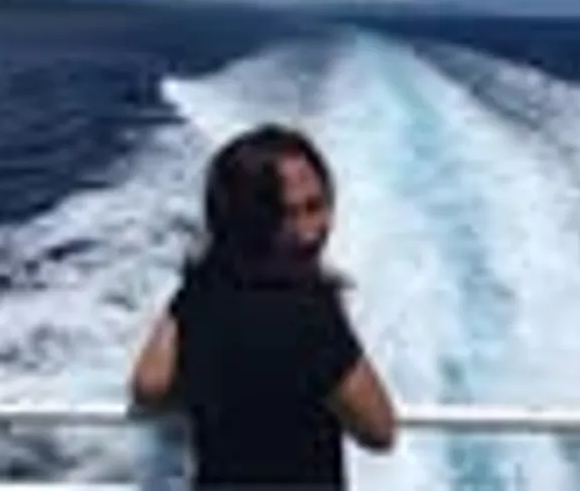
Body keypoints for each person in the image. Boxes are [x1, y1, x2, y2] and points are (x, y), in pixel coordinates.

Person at [129, 123, 396, 489]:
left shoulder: (200, 295)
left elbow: (148, 387)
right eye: (285, 215)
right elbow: (379, 430)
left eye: (316, 207)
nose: (309, 230)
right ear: (247, 220)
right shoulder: (313, 316)